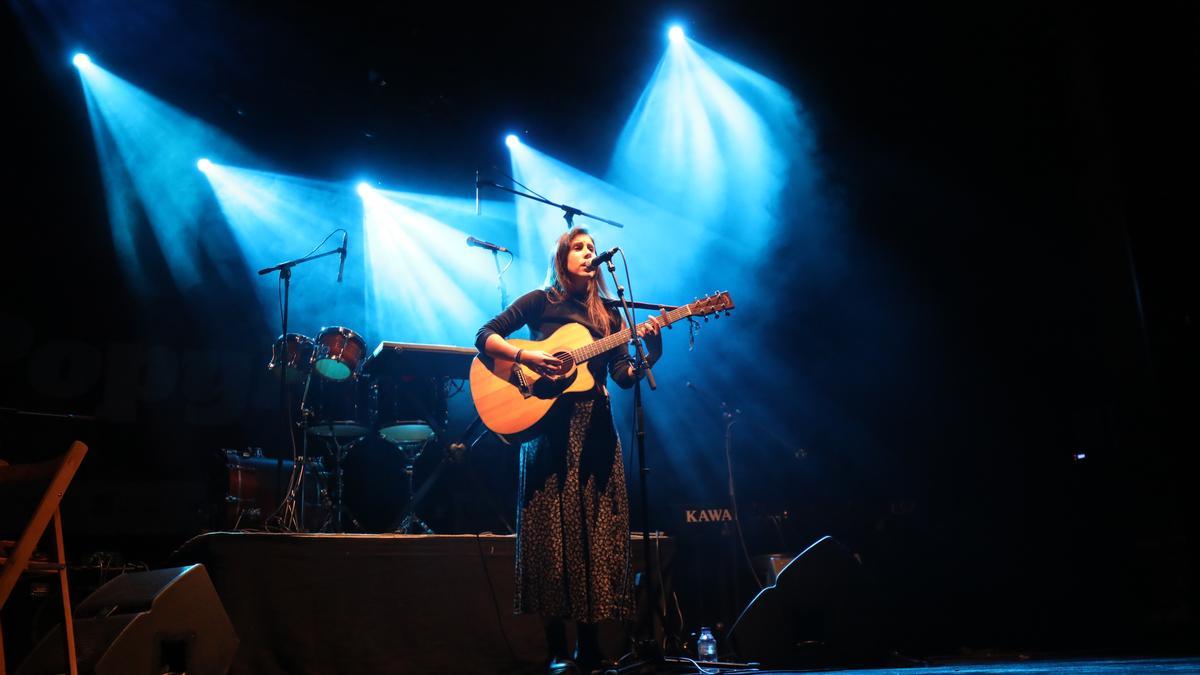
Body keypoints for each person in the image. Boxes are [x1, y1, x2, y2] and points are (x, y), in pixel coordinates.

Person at [475, 227, 663, 674]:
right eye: (578, 248)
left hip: (594, 428)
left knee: (594, 533)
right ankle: (557, 650)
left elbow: (621, 375)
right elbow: (485, 336)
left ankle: (592, 648)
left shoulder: (610, 315)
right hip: (547, 430)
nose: (588, 253)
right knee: (550, 535)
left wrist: (650, 354)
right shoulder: (542, 301)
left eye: (592, 248)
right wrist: (528, 359)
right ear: (562, 258)